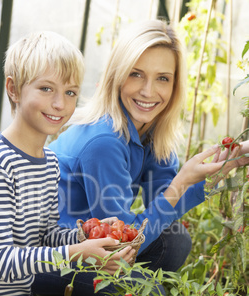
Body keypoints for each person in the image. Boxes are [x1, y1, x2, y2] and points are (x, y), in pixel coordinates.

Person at [0, 31, 137, 296]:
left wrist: (87, 236)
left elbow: (46, 234)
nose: (60, 103)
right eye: (46, 89)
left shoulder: (48, 162)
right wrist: (75, 254)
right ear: (14, 89)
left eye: (70, 92)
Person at [49, 19, 249, 277]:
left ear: (175, 85)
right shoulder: (103, 141)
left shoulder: (151, 130)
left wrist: (226, 163)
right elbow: (123, 239)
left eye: (162, 78)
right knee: (149, 287)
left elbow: (164, 201)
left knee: (174, 241)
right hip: (54, 256)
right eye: (136, 74)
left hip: (98, 247)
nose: (148, 91)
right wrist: (183, 181)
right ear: (116, 75)